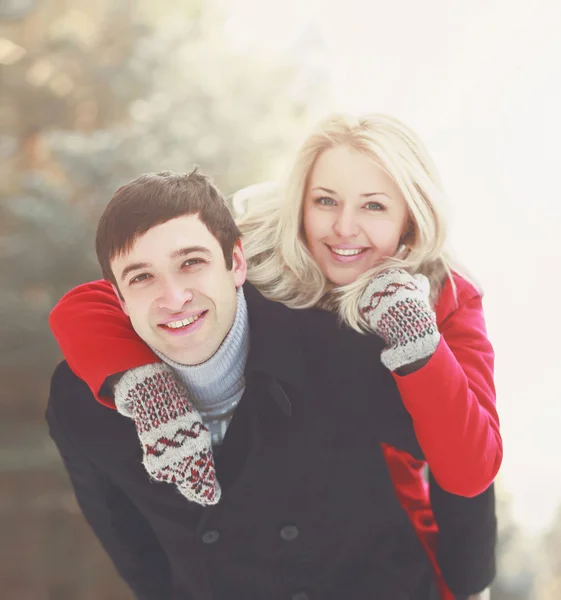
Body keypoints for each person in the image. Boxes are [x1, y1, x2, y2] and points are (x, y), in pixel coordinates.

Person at [49, 113, 500, 599]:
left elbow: (467, 467)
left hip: (383, 514)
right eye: (325, 201)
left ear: (410, 216)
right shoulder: (263, 250)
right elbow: (92, 304)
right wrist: (146, 384)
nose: (343, 228)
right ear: (299, 202)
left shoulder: (445, 295)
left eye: (373, 206)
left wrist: (416, 341)